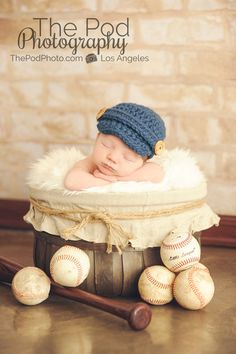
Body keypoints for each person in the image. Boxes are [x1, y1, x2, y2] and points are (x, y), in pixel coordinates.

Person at [64, 102, 166, 190]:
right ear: (97, 138)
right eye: (106, 145)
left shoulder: (144, 167)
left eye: (128, 157)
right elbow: (72, 181)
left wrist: (119, 180)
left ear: (144, 161)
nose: (112, 158)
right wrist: (107, 182)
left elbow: (157, 173)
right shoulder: (92, 162)